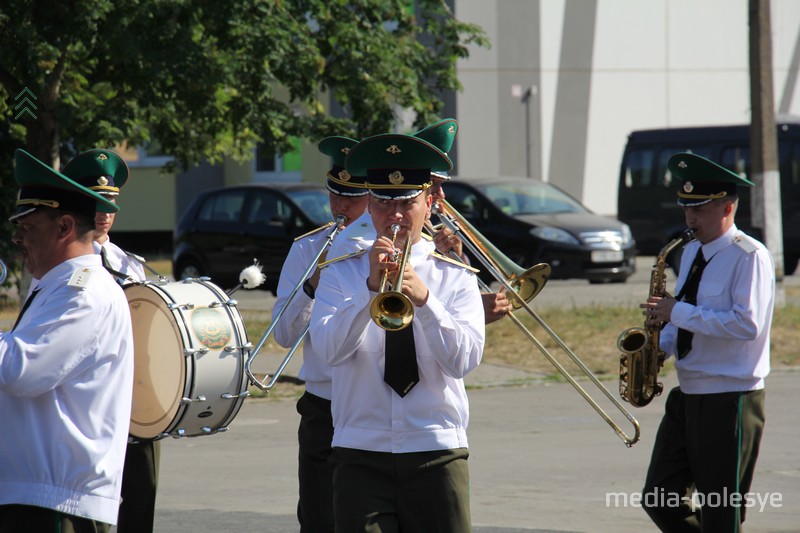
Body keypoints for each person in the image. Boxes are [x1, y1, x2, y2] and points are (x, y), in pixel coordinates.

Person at [310, 133, 485, 531]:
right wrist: (368, 292)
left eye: (407, 203)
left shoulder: (454, 276)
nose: (396, 216)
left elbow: (463, 361)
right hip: (359, 452)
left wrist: (423, 299)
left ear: (429, 204)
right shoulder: (339, 273)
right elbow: (327, 352)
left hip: (437, 450)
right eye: (385, 204)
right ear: (369, 206)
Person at [0, 149, 134, 532]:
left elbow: (19, 370)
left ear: (63, 228)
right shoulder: (57, 285)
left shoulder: (82, 293)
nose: (16, 237)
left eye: (27, 227)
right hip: (37, 494)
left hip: (57, 503)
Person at [640, 152, 774, 532]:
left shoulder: (750, 257)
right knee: (658, 497)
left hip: (730, 398)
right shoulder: (692, 251)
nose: (689, 217)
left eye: (699, 208)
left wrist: (675, 314)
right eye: (686, 208)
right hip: (689, 392)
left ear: (728, 207)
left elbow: (747, 324)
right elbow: (682, 312)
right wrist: (659, 345)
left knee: (721, 512)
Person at [271, 136, 369, 532]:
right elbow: (282, 334)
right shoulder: (307, 248)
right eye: (335, 194)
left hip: (369, 402)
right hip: (323, 405)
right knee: (318, 518)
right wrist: (313, 282)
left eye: (352, 196)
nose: (340, 207)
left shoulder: (388, 249)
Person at [327, 118, 512, 323]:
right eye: (435, 184)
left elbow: (461, 338)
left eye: (406, 202)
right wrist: (370, 290)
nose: (442, 194)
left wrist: (457, 262)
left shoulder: (432, 240)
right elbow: (328, 344)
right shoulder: (350, 245)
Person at [61, 148, 157, 533]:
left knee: (141, 492)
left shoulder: (131, 264)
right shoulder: (62, 267)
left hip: (134, 396)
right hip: (89, 403)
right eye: (93, 202)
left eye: (110, 202)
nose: (103, 212)